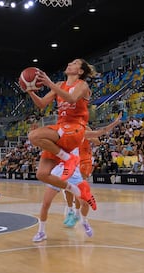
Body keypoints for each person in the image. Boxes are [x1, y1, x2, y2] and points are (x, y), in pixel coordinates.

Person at [33, 119, 122, 242]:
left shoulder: (80, 131)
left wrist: (115, 123)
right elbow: (43, 142)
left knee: (85, 203)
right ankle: (41, 231)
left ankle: (84, 221)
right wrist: (37, 132)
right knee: (46, 203)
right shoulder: (57, 132)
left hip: (74, 169)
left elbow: (99, 134)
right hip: (59, 169)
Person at [26, 59, 98, 209]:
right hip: (62, 128)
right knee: (42, 174)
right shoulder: (59, 85)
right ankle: (78, 190)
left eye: (75, 63)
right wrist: (30, 90)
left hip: (75, 128)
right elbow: (41, 104)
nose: (70, 63)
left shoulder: (82, 85)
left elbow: (71, 99)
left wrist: (49, 83)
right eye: (70, 62)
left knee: (34, 136)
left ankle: (68, 159)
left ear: (80, 71)